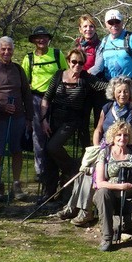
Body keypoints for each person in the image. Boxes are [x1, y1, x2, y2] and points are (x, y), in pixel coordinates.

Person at [40, 48, 108, 202]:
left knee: (53, 147)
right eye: (74, 62)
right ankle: (51, 191)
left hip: (72, 120)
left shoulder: (86, 78)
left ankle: (72, 167)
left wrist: (126, 86)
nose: (77, 65)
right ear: (68, 61)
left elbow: (104, 86)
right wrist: (43, 119)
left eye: (81, 63)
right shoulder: (58, 75)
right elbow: (46, 98)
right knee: (49, 154)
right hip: (54, 118)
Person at [22, 26, 69, 199]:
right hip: (36, 100)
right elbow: (25, 83)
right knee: (39, 138)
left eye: (44, 37)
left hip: (57, 100)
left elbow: (66, 75)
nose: (41, 40)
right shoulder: (29, 58)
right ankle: (42, 174)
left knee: (54, 139)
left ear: (48, 39)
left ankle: (58, 174)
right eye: (38, 38)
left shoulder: (57, 55)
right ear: (33, 40)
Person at [0, 36, 33, 201]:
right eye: (3, 49)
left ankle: (16, 184)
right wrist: (0, 107)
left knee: (16, 151)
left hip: (18, 117)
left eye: (9, 49)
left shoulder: (18, 69)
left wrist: (29, 117)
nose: (6, 52)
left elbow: (26, 94)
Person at [92, 120, 132, 251]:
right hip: (109, 196)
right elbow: (100, 182)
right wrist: (121, 187)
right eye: (119, 135)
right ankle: (107, 237)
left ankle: (116, 222)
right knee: (102, 192)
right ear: (113, 136)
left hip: (130, 197)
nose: (122, 138)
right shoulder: (105, 153)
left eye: (126, 135)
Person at [90, 8, 132, 81]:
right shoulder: (104, 41)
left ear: (122, 22)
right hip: (110, 84)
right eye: (111, 22)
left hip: (130, 83)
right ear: (106, 24)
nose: (114, 25)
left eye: (117, 21)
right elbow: (99, 66)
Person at [93, 75, 132, 150]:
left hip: (127, 152)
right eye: (119, 92)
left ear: (130, 93)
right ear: (113, 92)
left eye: (126, 91)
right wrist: (96, 148)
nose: (122, 95)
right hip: (105, 150)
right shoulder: (107, 108)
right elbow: (98, 130)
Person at [74, 14, 101, 146]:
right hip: (81, 87)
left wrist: (85, 74)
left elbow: (99, 66)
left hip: (97, 87)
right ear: (80, 29)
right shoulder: (77, 45)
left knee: (98, 121)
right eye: (85, 26)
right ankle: (85, 152)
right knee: (82, 121)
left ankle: (99, 150)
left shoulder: (100, 45)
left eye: (91, 26)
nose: (88, 29)